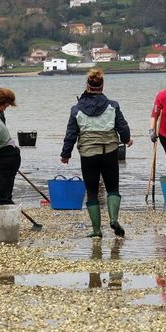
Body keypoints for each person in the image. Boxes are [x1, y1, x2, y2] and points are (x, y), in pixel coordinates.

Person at [61, 68, 132, 238]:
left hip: (88, 155)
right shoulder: (113, 106)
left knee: (92, 191)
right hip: (109, 152)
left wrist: (66, 154)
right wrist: (126, 139)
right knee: (112, 187)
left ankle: (96, 230)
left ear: (87, 86)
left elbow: (71, 133)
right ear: (102, 85)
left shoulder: (76, 109)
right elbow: (122, 126)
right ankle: (114, 219)